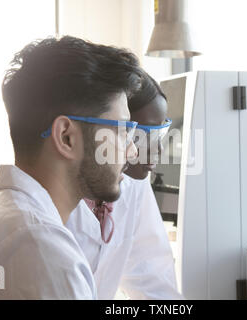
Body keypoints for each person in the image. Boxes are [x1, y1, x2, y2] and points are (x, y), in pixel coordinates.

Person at [0, 36, 142, 299]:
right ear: (66, 137)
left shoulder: (8, 215)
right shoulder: (40, 245)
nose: (132, 150)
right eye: (121, 131)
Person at [66, 72, 184, 299]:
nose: (157, 151)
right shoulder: (58, 199)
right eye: (142, 135)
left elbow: (154, 281)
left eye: (159, 134)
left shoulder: (135, 186)